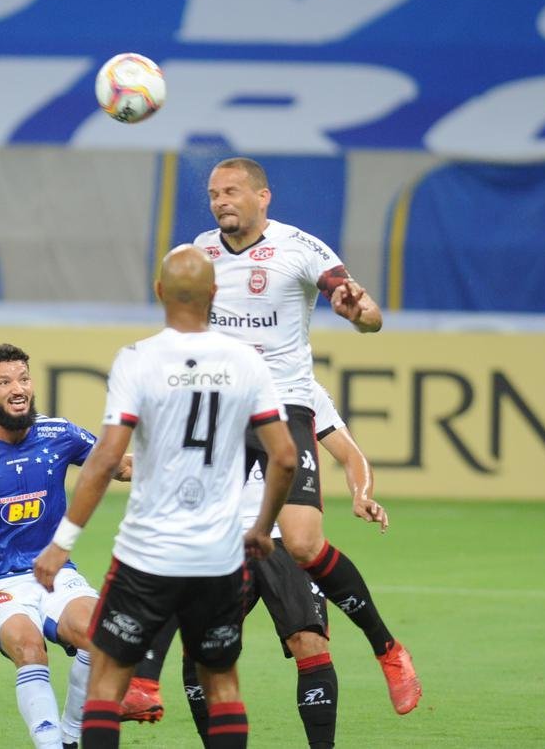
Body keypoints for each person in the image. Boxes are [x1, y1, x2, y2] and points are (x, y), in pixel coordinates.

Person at [33, 244, 297, 748]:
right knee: (222, 685)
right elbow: (283, 457)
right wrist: (262, 527)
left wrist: (63, 542)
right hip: (219, 557)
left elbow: (107, 458)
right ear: (214, 294)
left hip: (147, 555)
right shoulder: (246, 361)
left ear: (159, 292)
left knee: (107, 685)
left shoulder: (138, 359)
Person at [197, 156, 420, 714]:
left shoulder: (301, 247)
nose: (221, 201)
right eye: (213, 193)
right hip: (222, 417)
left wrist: (357, 311)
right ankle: (143, 683)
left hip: (281, 409)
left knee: (301, 544)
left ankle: (388, 648)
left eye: (231, 191)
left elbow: (366, 313)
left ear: (262, 197)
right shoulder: (197, 254)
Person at [124, 384, 402, 748]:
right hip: (221, 538)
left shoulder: (302, 388)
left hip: (284, 537)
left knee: (309, 641)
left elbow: (350, 454)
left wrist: (361, 494)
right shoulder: (211, 383)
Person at [0, 343, 130, 749]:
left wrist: (181, 462)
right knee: (31, 649)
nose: (18, 389)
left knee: (99, 636)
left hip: (55, 574)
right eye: (4, 382)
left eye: (23, 378)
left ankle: (71, 737)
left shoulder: (59, 434)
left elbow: (118, 466)